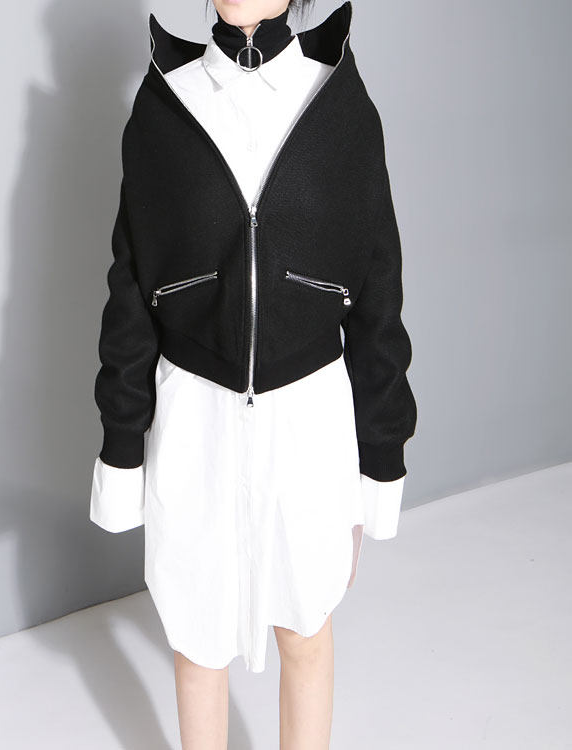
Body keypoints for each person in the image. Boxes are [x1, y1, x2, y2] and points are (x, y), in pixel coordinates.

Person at [89, 1, 417, 747]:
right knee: (196, 637)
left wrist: (381, 457)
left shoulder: (337, 103)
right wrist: (122, 448)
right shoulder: (164, 106)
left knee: (305, 628)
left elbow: (378, 292)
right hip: (193, 416)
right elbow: (129, 294)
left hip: (309, 416)